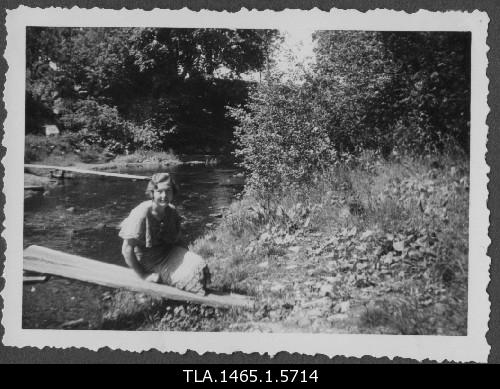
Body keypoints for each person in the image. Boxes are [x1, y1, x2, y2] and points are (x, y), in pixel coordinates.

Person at [119, 172, 210, 294]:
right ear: (152, 193)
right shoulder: (142, 214)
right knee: (190, 278)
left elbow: (179, 240)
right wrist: (143, 275)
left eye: (168, 191)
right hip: (150, 263)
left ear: (173, 192)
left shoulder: (171, 211)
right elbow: (126, 250)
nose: (164, 195)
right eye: (160, 191)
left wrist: (185, 257)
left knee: (199, 265)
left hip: (168, 253)